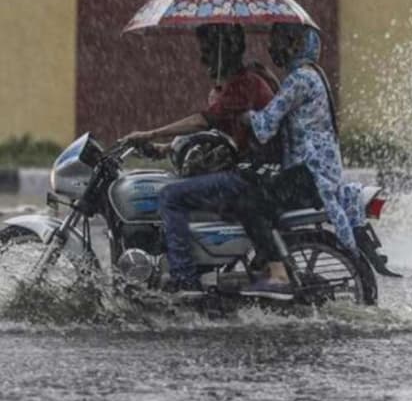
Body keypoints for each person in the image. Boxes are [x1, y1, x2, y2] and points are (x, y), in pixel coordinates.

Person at [122, 23, 274, 291]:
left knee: (170, 196)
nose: (202, 57)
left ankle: (184, 280)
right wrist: (164, 148)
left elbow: (203, 121)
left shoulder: (244, 84)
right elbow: (215, 134)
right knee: (175, 185)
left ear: (224, 49)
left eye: (207, 49)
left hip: (250, 176)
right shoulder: (239, 83)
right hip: (249, 171)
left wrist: (150, 133)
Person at [240, 23, 365, 291]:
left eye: (279, 42)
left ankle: (276, 271)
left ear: (296, 45)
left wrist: (244, 116)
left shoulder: (300, 80)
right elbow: (287, 105)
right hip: (319, 172)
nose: (273, 48)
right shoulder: (312, 75)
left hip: (308, 175)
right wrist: (271, 79)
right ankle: (267, 258)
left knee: (250, 202)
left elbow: (266, 125)